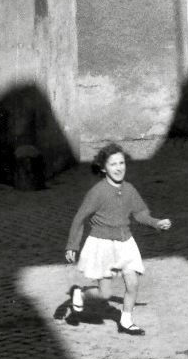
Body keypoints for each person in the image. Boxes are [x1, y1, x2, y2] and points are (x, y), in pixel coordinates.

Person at [65, 142, 171, 335]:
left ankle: (126, 321)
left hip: (126, 244)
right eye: (113, 164)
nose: (118, 168)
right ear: (104, 168)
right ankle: (80, 293)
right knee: (104, 294)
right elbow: (80, 217)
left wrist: (156, 223)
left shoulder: (129, 189)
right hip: (103, 245)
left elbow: (139, 213)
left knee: (133, 283)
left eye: (121, 163)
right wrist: (72, 246)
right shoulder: (97, 192)